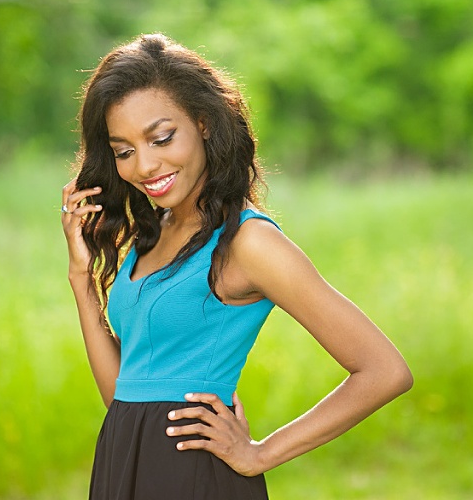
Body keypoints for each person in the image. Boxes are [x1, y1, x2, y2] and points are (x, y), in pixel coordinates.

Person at [60, 33, 413, 499]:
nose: (144, 165)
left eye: (162, 138)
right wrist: (82, 280)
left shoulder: (248, 243)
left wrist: (261, 453)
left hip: (193, 480)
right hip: (124, 465)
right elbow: (122, 396)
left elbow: (384, 370)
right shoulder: (155, 232)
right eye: (123, 151)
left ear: (203, 123)